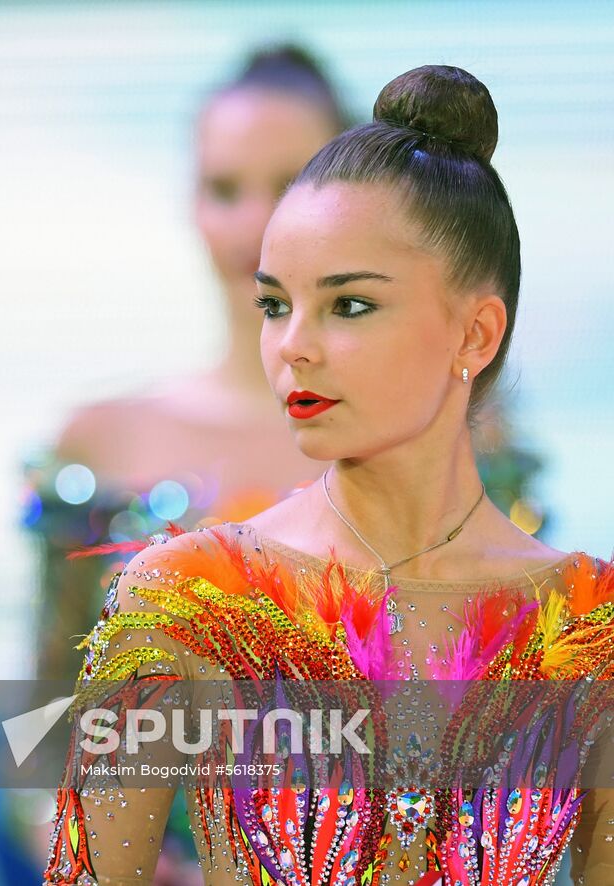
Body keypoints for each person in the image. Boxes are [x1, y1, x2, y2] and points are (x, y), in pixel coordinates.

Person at [43, 64, 614, 884]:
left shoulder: (588, 624)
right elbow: (27, 727)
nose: (293, 345)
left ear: (477, 335)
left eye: (348, 305)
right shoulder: (180, 585)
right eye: (276, 304)